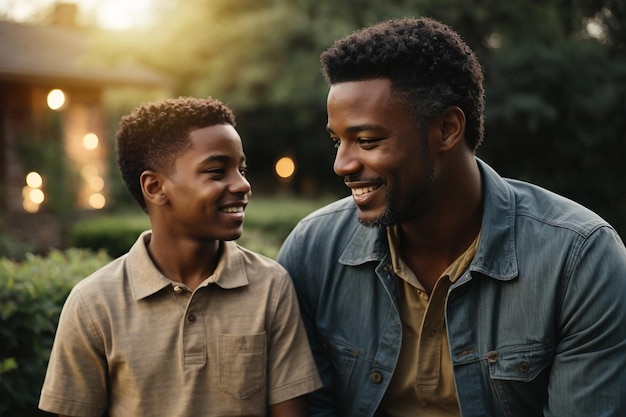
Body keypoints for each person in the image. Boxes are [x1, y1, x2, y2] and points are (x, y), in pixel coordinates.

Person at [276, 17, 626, 417]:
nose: (341, 164)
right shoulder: (312, 251)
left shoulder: (579, 260)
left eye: (367, 141)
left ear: (447, 129)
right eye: (338, 141)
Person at [39, 96, 322, 417]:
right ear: (156, 187)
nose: (242, 185)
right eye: (217, 172)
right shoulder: (94, 304)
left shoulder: (270, 286)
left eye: (241, 169)